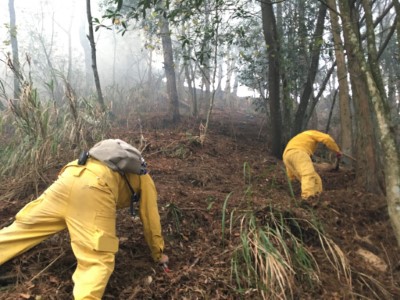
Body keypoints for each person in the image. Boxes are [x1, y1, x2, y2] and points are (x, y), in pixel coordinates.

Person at [0, 139, 168, 299]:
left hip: (70, 175)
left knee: (24, 228)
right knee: (98, 257)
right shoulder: (145, 179)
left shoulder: (103, 162)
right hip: (94, 187)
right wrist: (158, 253)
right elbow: (150, 217)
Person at [283, 130, 342, 203]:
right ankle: (308, 198)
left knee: (316, 179)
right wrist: (337, 151)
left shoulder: (300, 138)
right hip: (299, 152)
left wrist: (291, 177)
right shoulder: (312, 133)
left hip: (286, 156)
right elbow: (327, 138)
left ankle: (317, 197)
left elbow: (290, 165)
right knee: (308, 175)